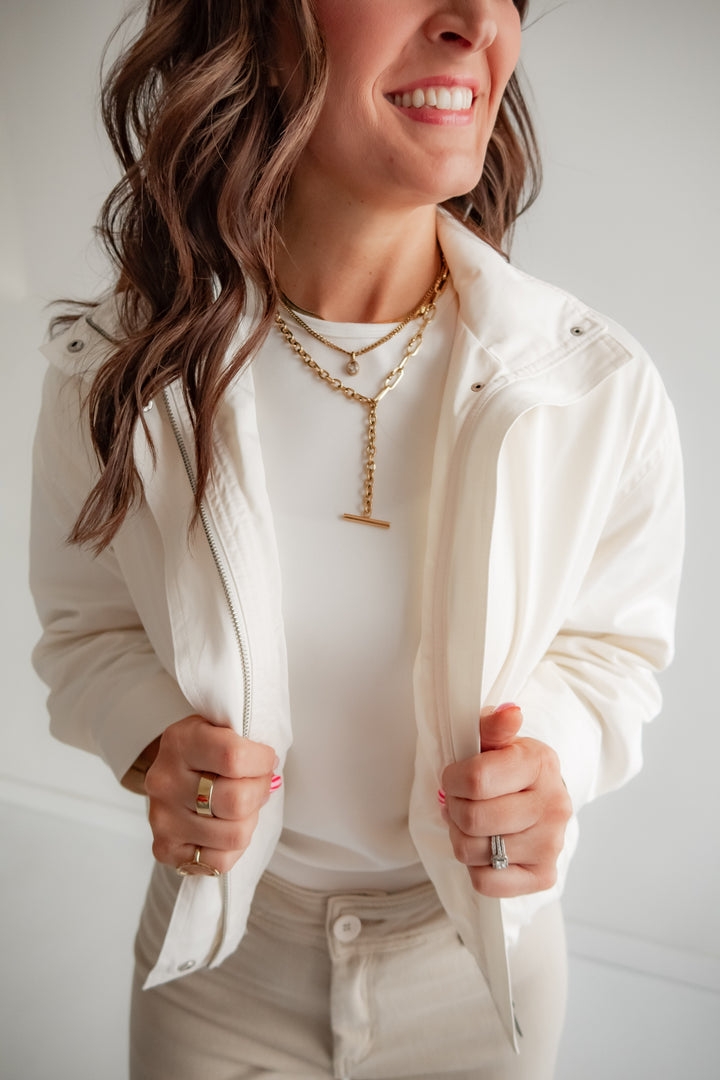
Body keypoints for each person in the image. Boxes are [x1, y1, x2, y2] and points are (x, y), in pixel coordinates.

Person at [29, 1, 684, 1078]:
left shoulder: (592, 388)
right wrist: (153, 741)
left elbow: (617, 652)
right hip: (218, 968)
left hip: (479, 976)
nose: (477, 21)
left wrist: (549, 751)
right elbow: (85, 629)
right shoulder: (122, 370)